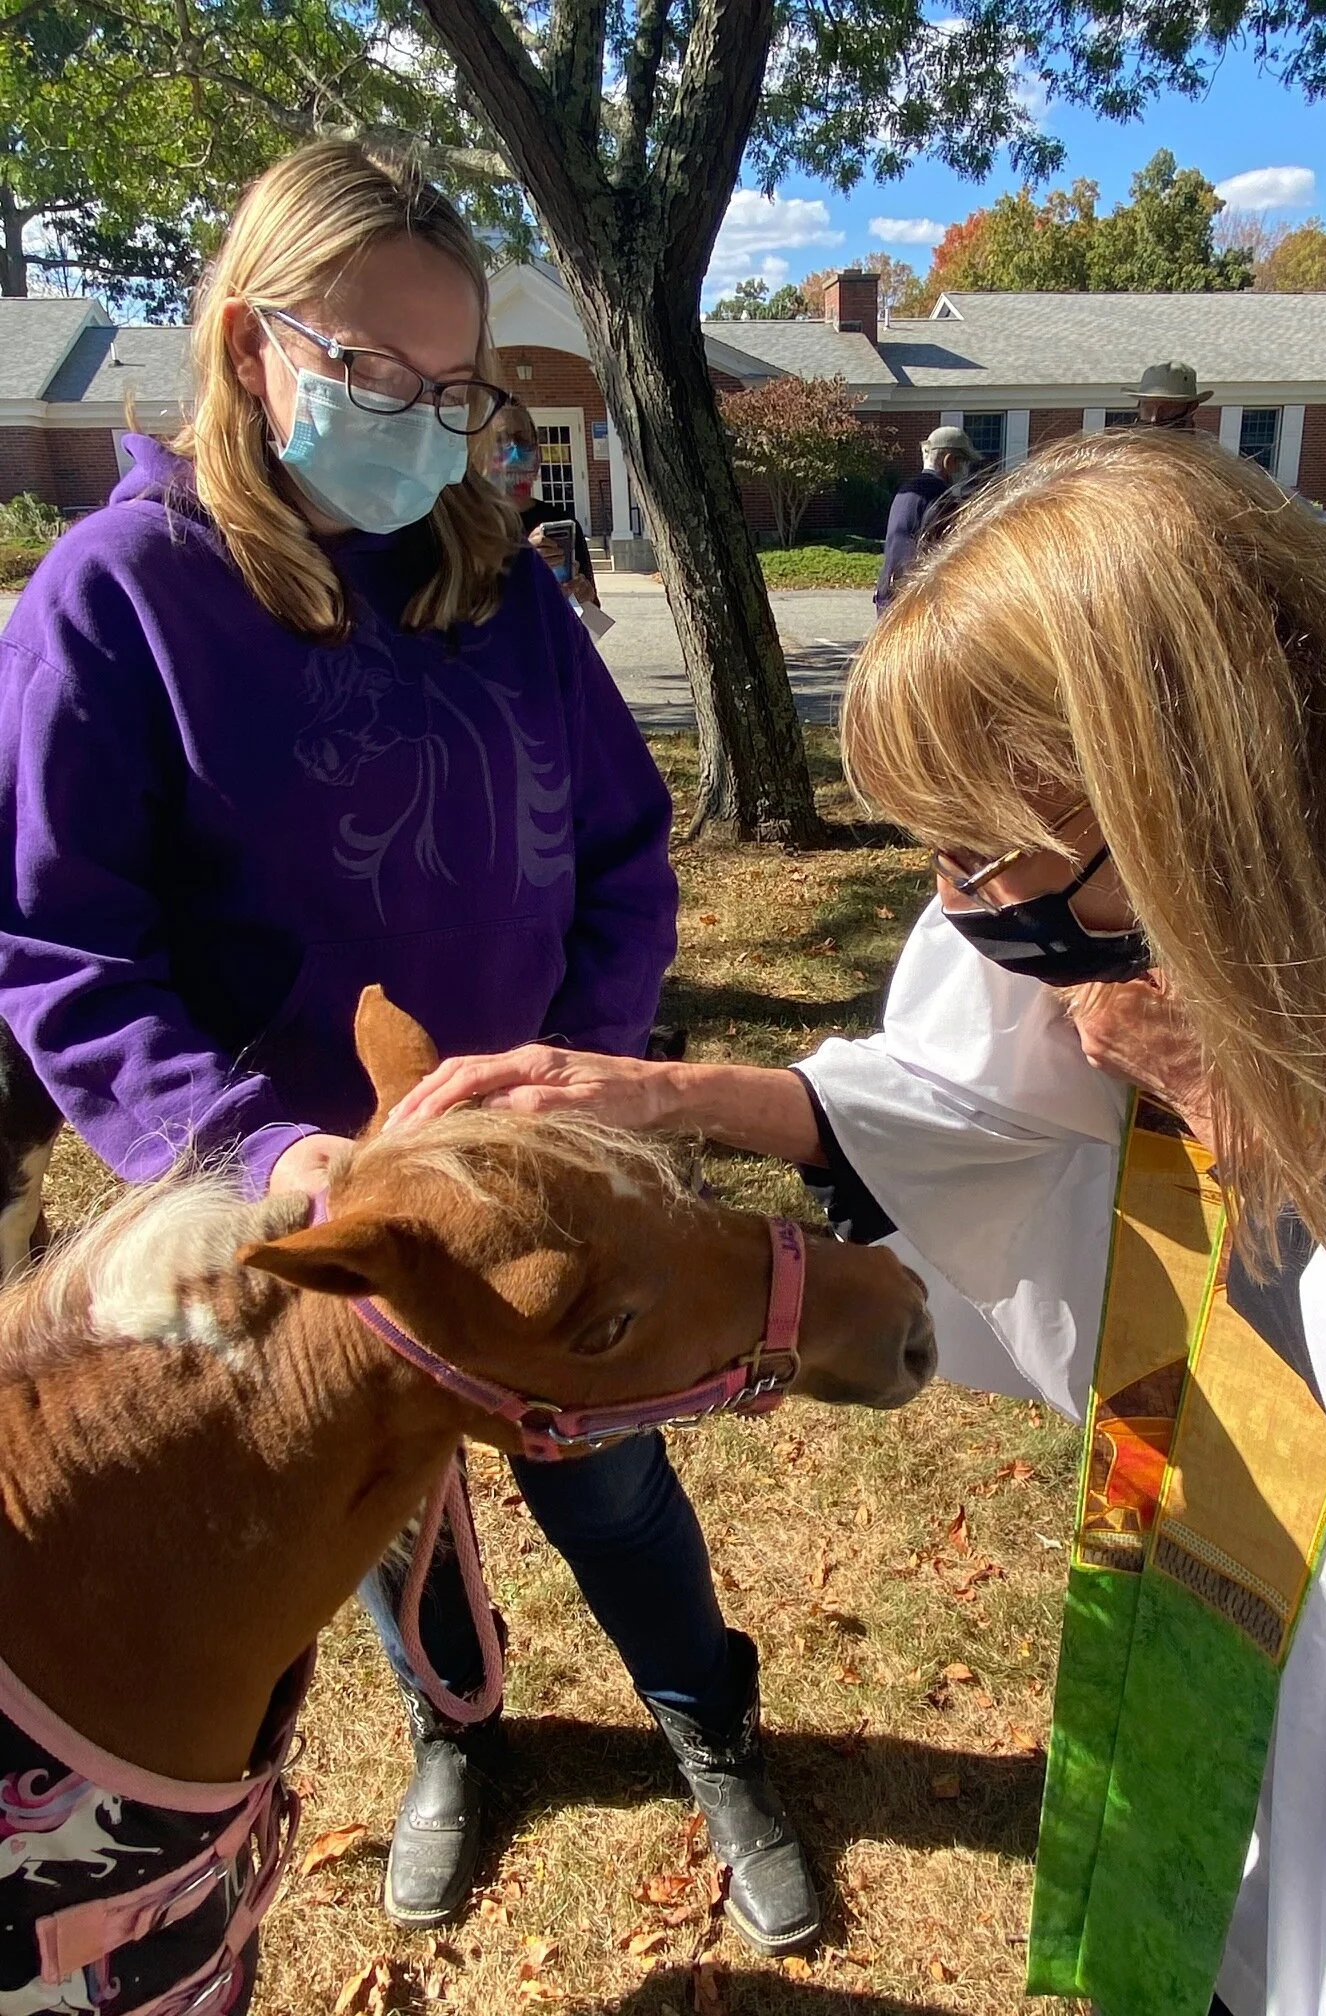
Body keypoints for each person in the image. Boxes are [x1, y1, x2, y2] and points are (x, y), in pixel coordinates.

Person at [391, 428, 1326, 2015]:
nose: (961, 905)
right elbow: (976, 1104)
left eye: (982, 853)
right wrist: (664, 1094)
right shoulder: (1206, 894)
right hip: (1285, 1622)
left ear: (1186, 785)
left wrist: (1296, 1135)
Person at [0, 139, 821, 1957]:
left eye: (454, 388)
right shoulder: (116, 600)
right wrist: (264, 1155)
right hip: (320, 1211)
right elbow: (62, 947)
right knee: (379, 1510)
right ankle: (461, 1728)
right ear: (250, 345)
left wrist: (579, 1096)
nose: (422, 423)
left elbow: (622, 855)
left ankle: (709, 1721)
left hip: (539, 1183)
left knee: (610, 1473)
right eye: (376, 372)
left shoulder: (496, 588)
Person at [489, 397, 600, 606]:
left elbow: (590, 617)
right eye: (500, 440)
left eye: (522, 440)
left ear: (537, 454)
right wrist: (524, 561)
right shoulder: (465, 525)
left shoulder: (562, 524)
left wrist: (584, 597)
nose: (514, 451)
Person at [874, 424, 983, 607]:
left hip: (888, 591)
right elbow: (946, 553)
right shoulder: (942, 498)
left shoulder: (907, 489)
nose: (966, 471)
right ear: (949, 461)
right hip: (916, 598)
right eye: (964, 463)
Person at [1128, 360, 1210, 430]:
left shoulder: (1205, 444)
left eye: (1166, 409)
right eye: (1148, 409)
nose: (1154, 419)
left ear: (1192, 408)